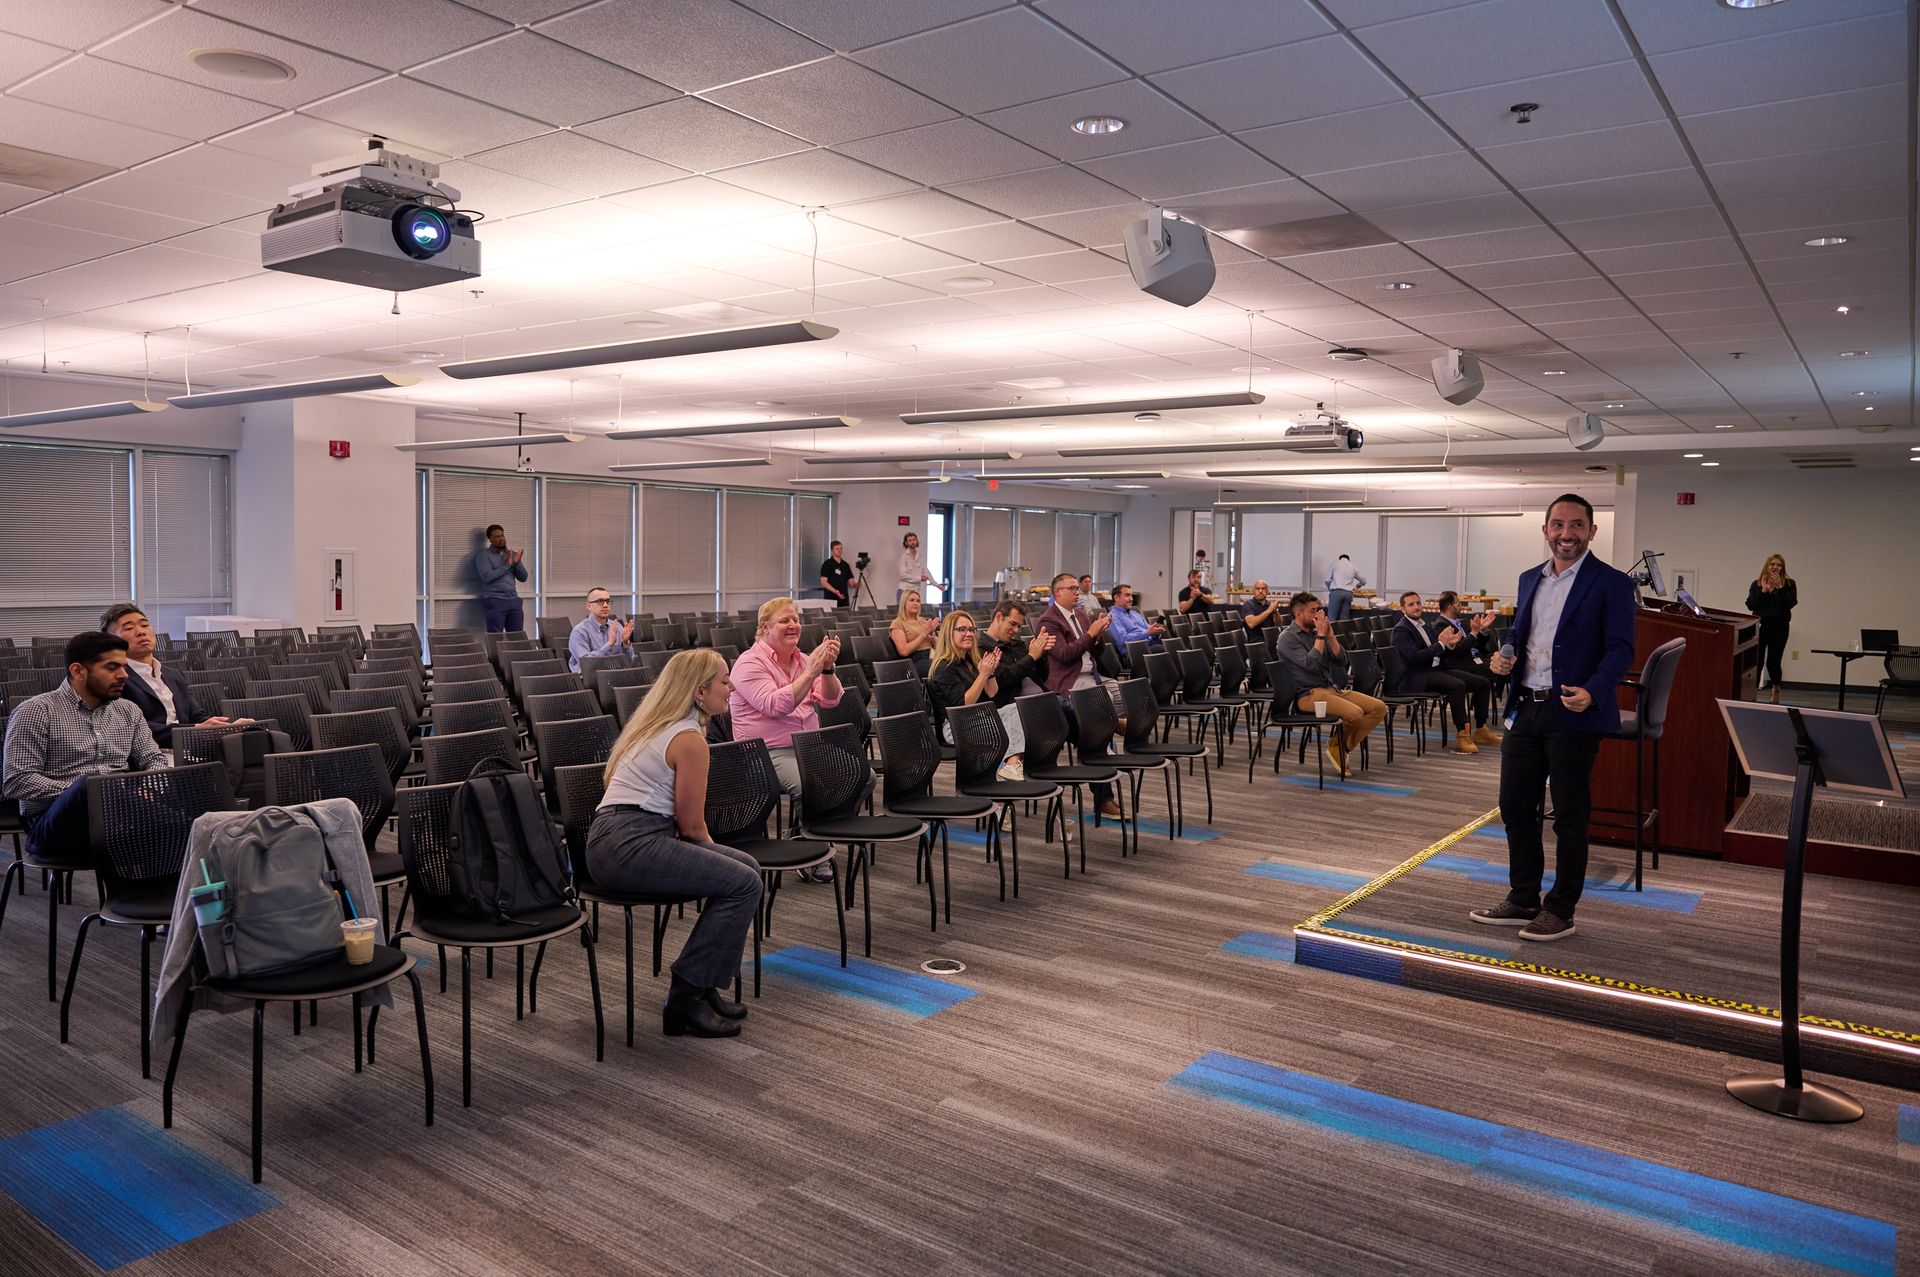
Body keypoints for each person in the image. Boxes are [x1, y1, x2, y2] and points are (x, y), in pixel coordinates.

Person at [1473, 493, 1636, 943]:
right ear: (1545, 529)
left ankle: (1561, 909)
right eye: (1558, 525)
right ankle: (1523, 896)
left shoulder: (1611, 583)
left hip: (1572, 710)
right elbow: (1518, 633)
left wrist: (1594, 690)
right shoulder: (1530, 579)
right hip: (1525, 707)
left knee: (1568, 815)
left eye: (1577, 526)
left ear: (1591, 531)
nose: (1567, 534)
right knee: (1515, 807)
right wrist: (1504, 656)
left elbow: (1621, 648)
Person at [587, 649, 762, 1039]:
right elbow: (693, 827)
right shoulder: (687, 738)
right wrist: (716, 857)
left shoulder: (666, 725)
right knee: (743, 881)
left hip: (620, 838)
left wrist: (721, 859)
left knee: (747, 869)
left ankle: (704, 986)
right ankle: (685, 997)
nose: (731, 687)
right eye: (723, 680)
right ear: (700, 692)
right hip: (628, 844)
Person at [2, 631, 168, 854]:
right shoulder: (36, 711)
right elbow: (17, 781)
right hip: (54, 821)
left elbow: (153, 759)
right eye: (112, 668)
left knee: (181, 812)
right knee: (88, 785)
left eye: (124, 667)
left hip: (120, 812)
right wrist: (89, 793)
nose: (124, 675)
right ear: (78, 671)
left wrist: (147, 787)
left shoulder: (129, 710)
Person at [728, 597, 843, 882]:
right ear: (765, 628)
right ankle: (814, 848)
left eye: (795, 620)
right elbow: (773, 705)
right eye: (784, 621)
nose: (793, 625)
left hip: (807, 746)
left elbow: (830, 701)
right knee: (811, 785)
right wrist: (812, 671)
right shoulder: (748, 663)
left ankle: (802, 833)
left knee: (862, 777)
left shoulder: (803, 659)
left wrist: (826, 669)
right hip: (765, 753)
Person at [1274, 592, 1386, 779]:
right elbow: (1311, 665)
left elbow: (1341, 660)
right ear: (1298, 614)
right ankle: (1339, 748)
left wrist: (1331, 637)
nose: (1319, 614)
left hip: (1330, 689)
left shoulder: (1316, 633)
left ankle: (1340, 747)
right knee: (1355, 713)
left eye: (1319, 609)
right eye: (1313, 611)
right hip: (1308, 696)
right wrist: (1320, 636)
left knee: (1378, 708)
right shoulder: (1287, 638)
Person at [1036, 573, 1120, 817]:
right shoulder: (1048, 621)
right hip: (1070, 683)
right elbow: (1064, 654)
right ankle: (1111, 730)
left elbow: (1096, 650)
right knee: (1096, 724)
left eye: (1077, 588)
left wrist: (1100, 634)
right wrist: (1090, 634)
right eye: (1072, 588)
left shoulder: (1081, 615)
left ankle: (1114, 727)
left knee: (1129, 694)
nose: (1077, 592)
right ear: (1057, 593)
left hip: (1093, 676)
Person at [99, 603, 232, 748]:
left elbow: (196, 717)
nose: (141, 632)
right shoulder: (115, 678)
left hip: (190, 747)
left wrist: (227, 728)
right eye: (129, 628)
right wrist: (192, 731)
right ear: (111, 640)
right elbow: (130, 728)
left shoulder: (173, 674)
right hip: (150, 753)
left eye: (144, 625)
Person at [927, 611, 1026, 780]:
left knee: (1017, 708)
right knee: (1005, 729)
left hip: (978, 718)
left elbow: (992, 693)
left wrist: (990, 672)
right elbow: (961, 706)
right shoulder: (943, 667)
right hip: (956, 726)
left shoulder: (971, 660)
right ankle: (1008, 771)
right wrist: (982, 675)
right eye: (962, 629)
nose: (969, 634)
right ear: (949, 634)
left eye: (971, 629)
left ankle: (1011, 766)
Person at [1387, 591, 1478, 754]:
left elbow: (1438, 650)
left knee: (1481, 682)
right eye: (1411, 604)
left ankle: (1482, 728)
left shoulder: (1425, 624)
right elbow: (1415, 657)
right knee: (1457, 686)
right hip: (1416, 676)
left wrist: (1449, 644)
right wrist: (1441, 644)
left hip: (1435, 669)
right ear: (1402, 609)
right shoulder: (1401, 630)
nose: (1416, 607)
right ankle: (1462, 734)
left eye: (1418, 603)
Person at [1432, 591, 1500, 745]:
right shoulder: (1441, 625)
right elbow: (1456, 651)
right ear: (1450, 607)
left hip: (1474, 661)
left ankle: (1481, 727)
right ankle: (1468, 729)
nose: (1461, 606)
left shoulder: (1460, 623)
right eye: (1458, 604)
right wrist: (1474, 632)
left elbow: (1477, 645)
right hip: (1458, 666)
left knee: (1497, 672)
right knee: (1490, 676)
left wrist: (1481, 631)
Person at [979, 601, 1053, 706]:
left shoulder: (1018, 645)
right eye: (1013, 624)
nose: (1016, 630)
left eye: (1018, 626)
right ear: (999, 617)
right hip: (1016, 707)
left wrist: (1041, 655)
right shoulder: (982, 648)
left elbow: (1042, 677)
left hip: (1043, 698)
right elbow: (1004, 678)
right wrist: (1031, 657)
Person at [1746, 553, 1796, 704]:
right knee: (1757, 661)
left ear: (1782, 568)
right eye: (1772, 564)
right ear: (1767, 566)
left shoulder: (1789, 584)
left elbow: (1790, 603)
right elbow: (1751, 605)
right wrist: (1764, 592)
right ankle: (1752, 691)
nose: (1775, 567)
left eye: (1779, 564)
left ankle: (1776, 688)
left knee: (1773, 662)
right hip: (1760, 626)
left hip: (1779, 627)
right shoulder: (1757, 584)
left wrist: (1779, 587)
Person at [473, 523, 528, 633]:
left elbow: (523, 577)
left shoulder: (511, 555)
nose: (501, 539)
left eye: (502, 536)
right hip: (495, 600)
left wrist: (516, 563)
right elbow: (487, 577)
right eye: (497, 537)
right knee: (495, 638)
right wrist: (508, 565)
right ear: (490, 540)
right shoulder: (484, 556)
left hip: (514, 600)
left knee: (517, 638)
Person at [567, 587, 634, 673]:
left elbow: (628, 662)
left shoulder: (617, 626)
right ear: (589, 606)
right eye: (600, 601)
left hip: (616, 676)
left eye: (608, 601)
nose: (606, 605)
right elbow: (586, 664)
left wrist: (625, 644)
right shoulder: (579, 631)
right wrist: (609, 644)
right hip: (591, 679)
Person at [887, 590, 938, 679]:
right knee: (942, 669)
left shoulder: (923, 621)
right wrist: (923, 634)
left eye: (918, 601)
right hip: (914, 661)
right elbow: (904, 651)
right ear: (904, 603)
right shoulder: (897, 623)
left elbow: (938, 647)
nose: (916, 603)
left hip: (932, 655)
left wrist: (932, 634)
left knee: (956, 664)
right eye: (912, 600)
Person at [1106, 584, 1163, 662]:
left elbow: (1149, 632)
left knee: (1172, 645)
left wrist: (1155, 632)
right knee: (1164, 649)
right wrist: (1148, 632)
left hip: (1147, 645)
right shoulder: (1113, 617)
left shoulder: (1135, 614)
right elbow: (1122, 640)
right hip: (1132, 653)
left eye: (1131, 596)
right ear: (1116, 598)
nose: (1131, 599)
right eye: (1127, 595)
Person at [1324, 554, 1366, 621]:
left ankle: (1332, 631)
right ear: (1348, 559)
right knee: (1344, 619)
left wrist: (1331, 590)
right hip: (1348, 594)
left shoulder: (1335, 564)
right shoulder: (1353, 566)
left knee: (1332, 618)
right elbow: (1363, 580)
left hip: (1336, 592)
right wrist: (1358, 585)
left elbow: (1327, 580)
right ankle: (1343, 631)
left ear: (1340, 559)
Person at [896, 531, 934, 603]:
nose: (912, 542)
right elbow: (903, 575)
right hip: (904, 590)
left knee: (914, 613)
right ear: (906, 543)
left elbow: (926, 571)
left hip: (915, 592)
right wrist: (919, 578)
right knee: (902, 614)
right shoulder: (904, 557)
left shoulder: (920, 556)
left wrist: (937, 585)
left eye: (914, 540)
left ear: (916, 541)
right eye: (910, 540)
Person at [819, 540, 855, 609]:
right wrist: (835, 591)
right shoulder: (827, 564)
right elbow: (823, 582)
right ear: (832, 550)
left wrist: (856, 583)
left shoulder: (845, 565)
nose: (839, 551)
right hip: (831, 598)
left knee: (845, 618)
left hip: (844, 599)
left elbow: (850, 581)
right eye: (837, 549)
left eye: (841, 548)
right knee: (832, 618)